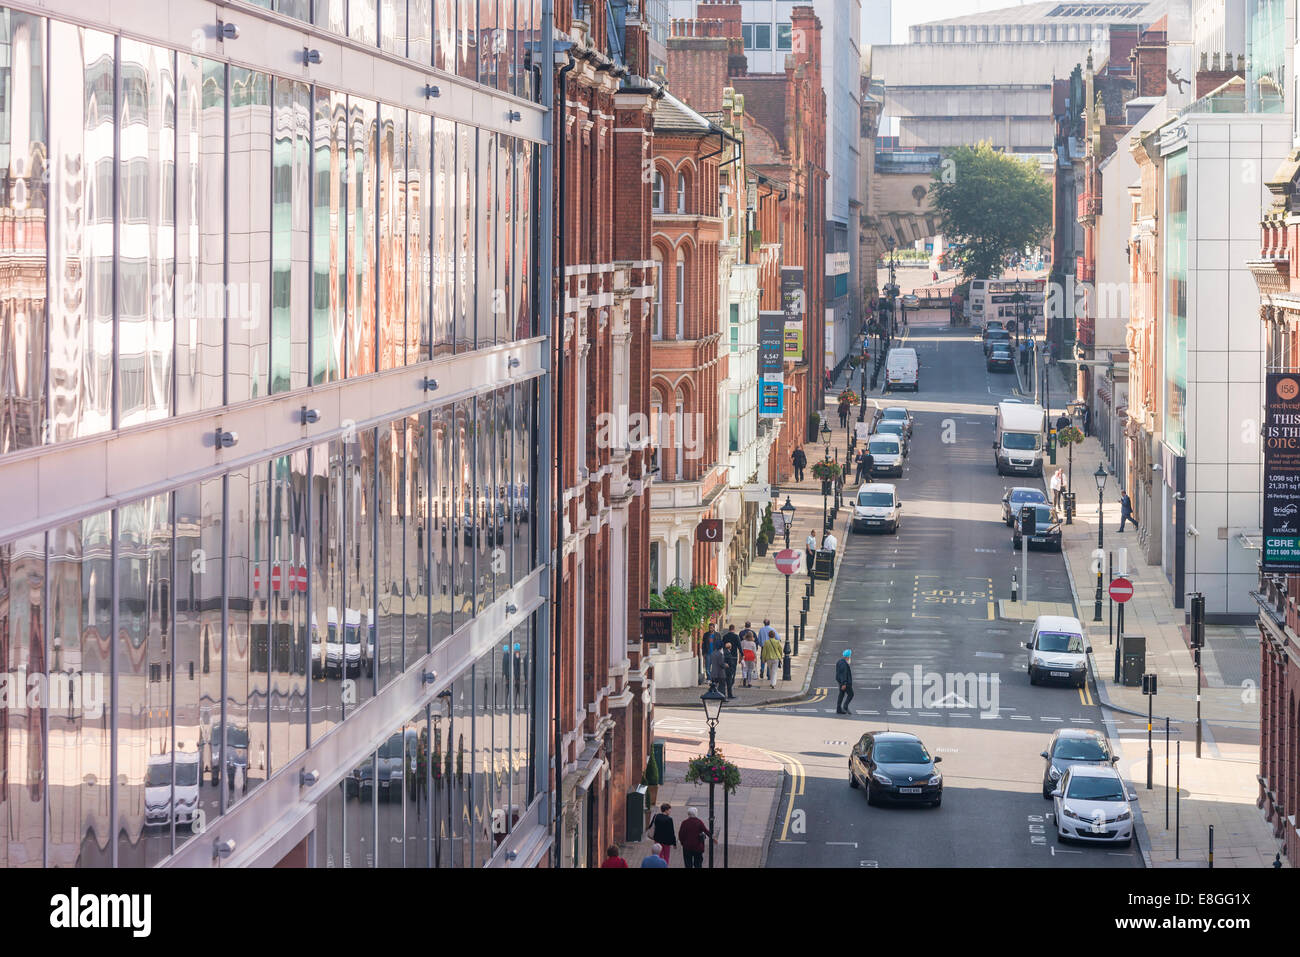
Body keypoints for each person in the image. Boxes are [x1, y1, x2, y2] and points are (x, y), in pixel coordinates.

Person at [835, 649, 855, 714]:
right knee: (851, 694)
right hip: (845, 683)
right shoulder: (844, 664)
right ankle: (845, 706)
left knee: (841, 694)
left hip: (840, 681)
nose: (850, 658)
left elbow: (838, 673)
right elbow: (843, 674)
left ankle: (838, 709)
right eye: (850, 656)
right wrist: (844, 683)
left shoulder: (839, 661)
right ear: (847, 657)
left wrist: (841, 682)